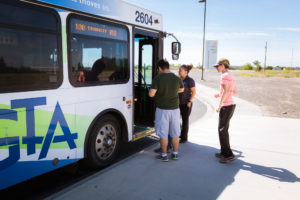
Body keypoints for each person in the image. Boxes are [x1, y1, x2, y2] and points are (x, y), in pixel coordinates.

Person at [149, 59, 184, 162]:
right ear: (168, 67)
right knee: (175, 133)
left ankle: (164, 156)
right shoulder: (177, 78)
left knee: (163, 134)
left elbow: (151, 94)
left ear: (159, 68)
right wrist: (172, 92)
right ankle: (175, 154)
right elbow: (182, 89)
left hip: (162, 110)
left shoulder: (158, 78)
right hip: (175, 110)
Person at [213, 58, 237, 164]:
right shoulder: (230, 76)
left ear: (223, 65)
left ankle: (229, 155)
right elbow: (234, 91)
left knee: (222, 130)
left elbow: (226, 91)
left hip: (226, 106)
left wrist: (219, 105)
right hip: (231, 105)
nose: (217, 68)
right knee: (223, 130)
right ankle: (223, 152)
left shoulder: (224, 76)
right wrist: (219, 94)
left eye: (218, 66)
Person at [178, 64, 196, 143]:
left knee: (185, 121)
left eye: (180, 70)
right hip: (178, 103)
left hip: (186, 104)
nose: (179, 71)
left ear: (186, 72)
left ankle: (184, 138)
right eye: (179, 70)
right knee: (176, 120)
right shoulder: (179, 79)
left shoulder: (190, 80)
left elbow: (194, 92)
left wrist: (189, 101)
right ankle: (179, 134)